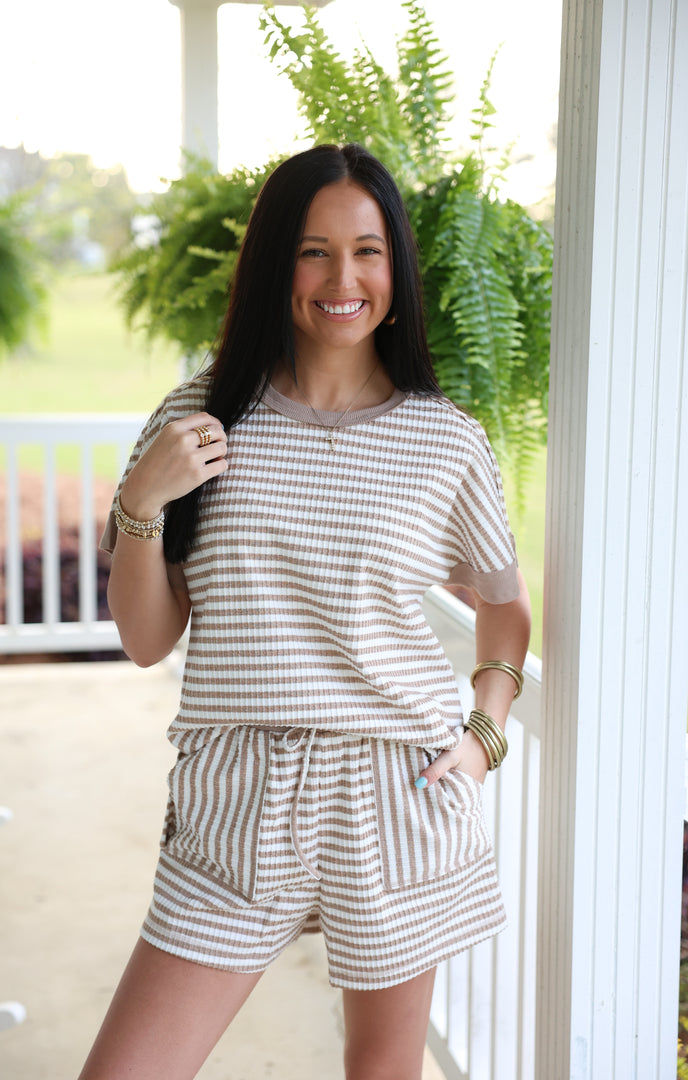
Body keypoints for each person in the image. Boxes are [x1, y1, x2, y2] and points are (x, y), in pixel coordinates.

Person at [79, 143, 531, 1080]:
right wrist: (142, 503)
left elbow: (504, 605)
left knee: (381, 1069)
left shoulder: (446, 440)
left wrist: (484, 735)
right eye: (313, 251)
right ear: (274, 264)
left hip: (397, 791)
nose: (341, 279)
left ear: (396, 271)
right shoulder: (201, 415)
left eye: (367, 251)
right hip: (237, 790)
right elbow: (146, 639)